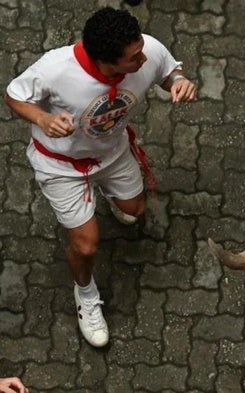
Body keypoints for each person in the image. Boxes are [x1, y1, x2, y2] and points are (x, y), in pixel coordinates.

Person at [3, 7, 197, 347]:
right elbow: (14, 95)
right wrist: (41, 119)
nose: (143, 59)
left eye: (141, 50)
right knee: (87, 244)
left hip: (111, 152)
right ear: (108, 62)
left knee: (134, 211)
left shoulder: (146, 50)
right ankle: (86, 295)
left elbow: (168, 69)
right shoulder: (55, 69)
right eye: (134, 58)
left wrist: (178, 81)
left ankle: (108, 195)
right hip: (61, 166)